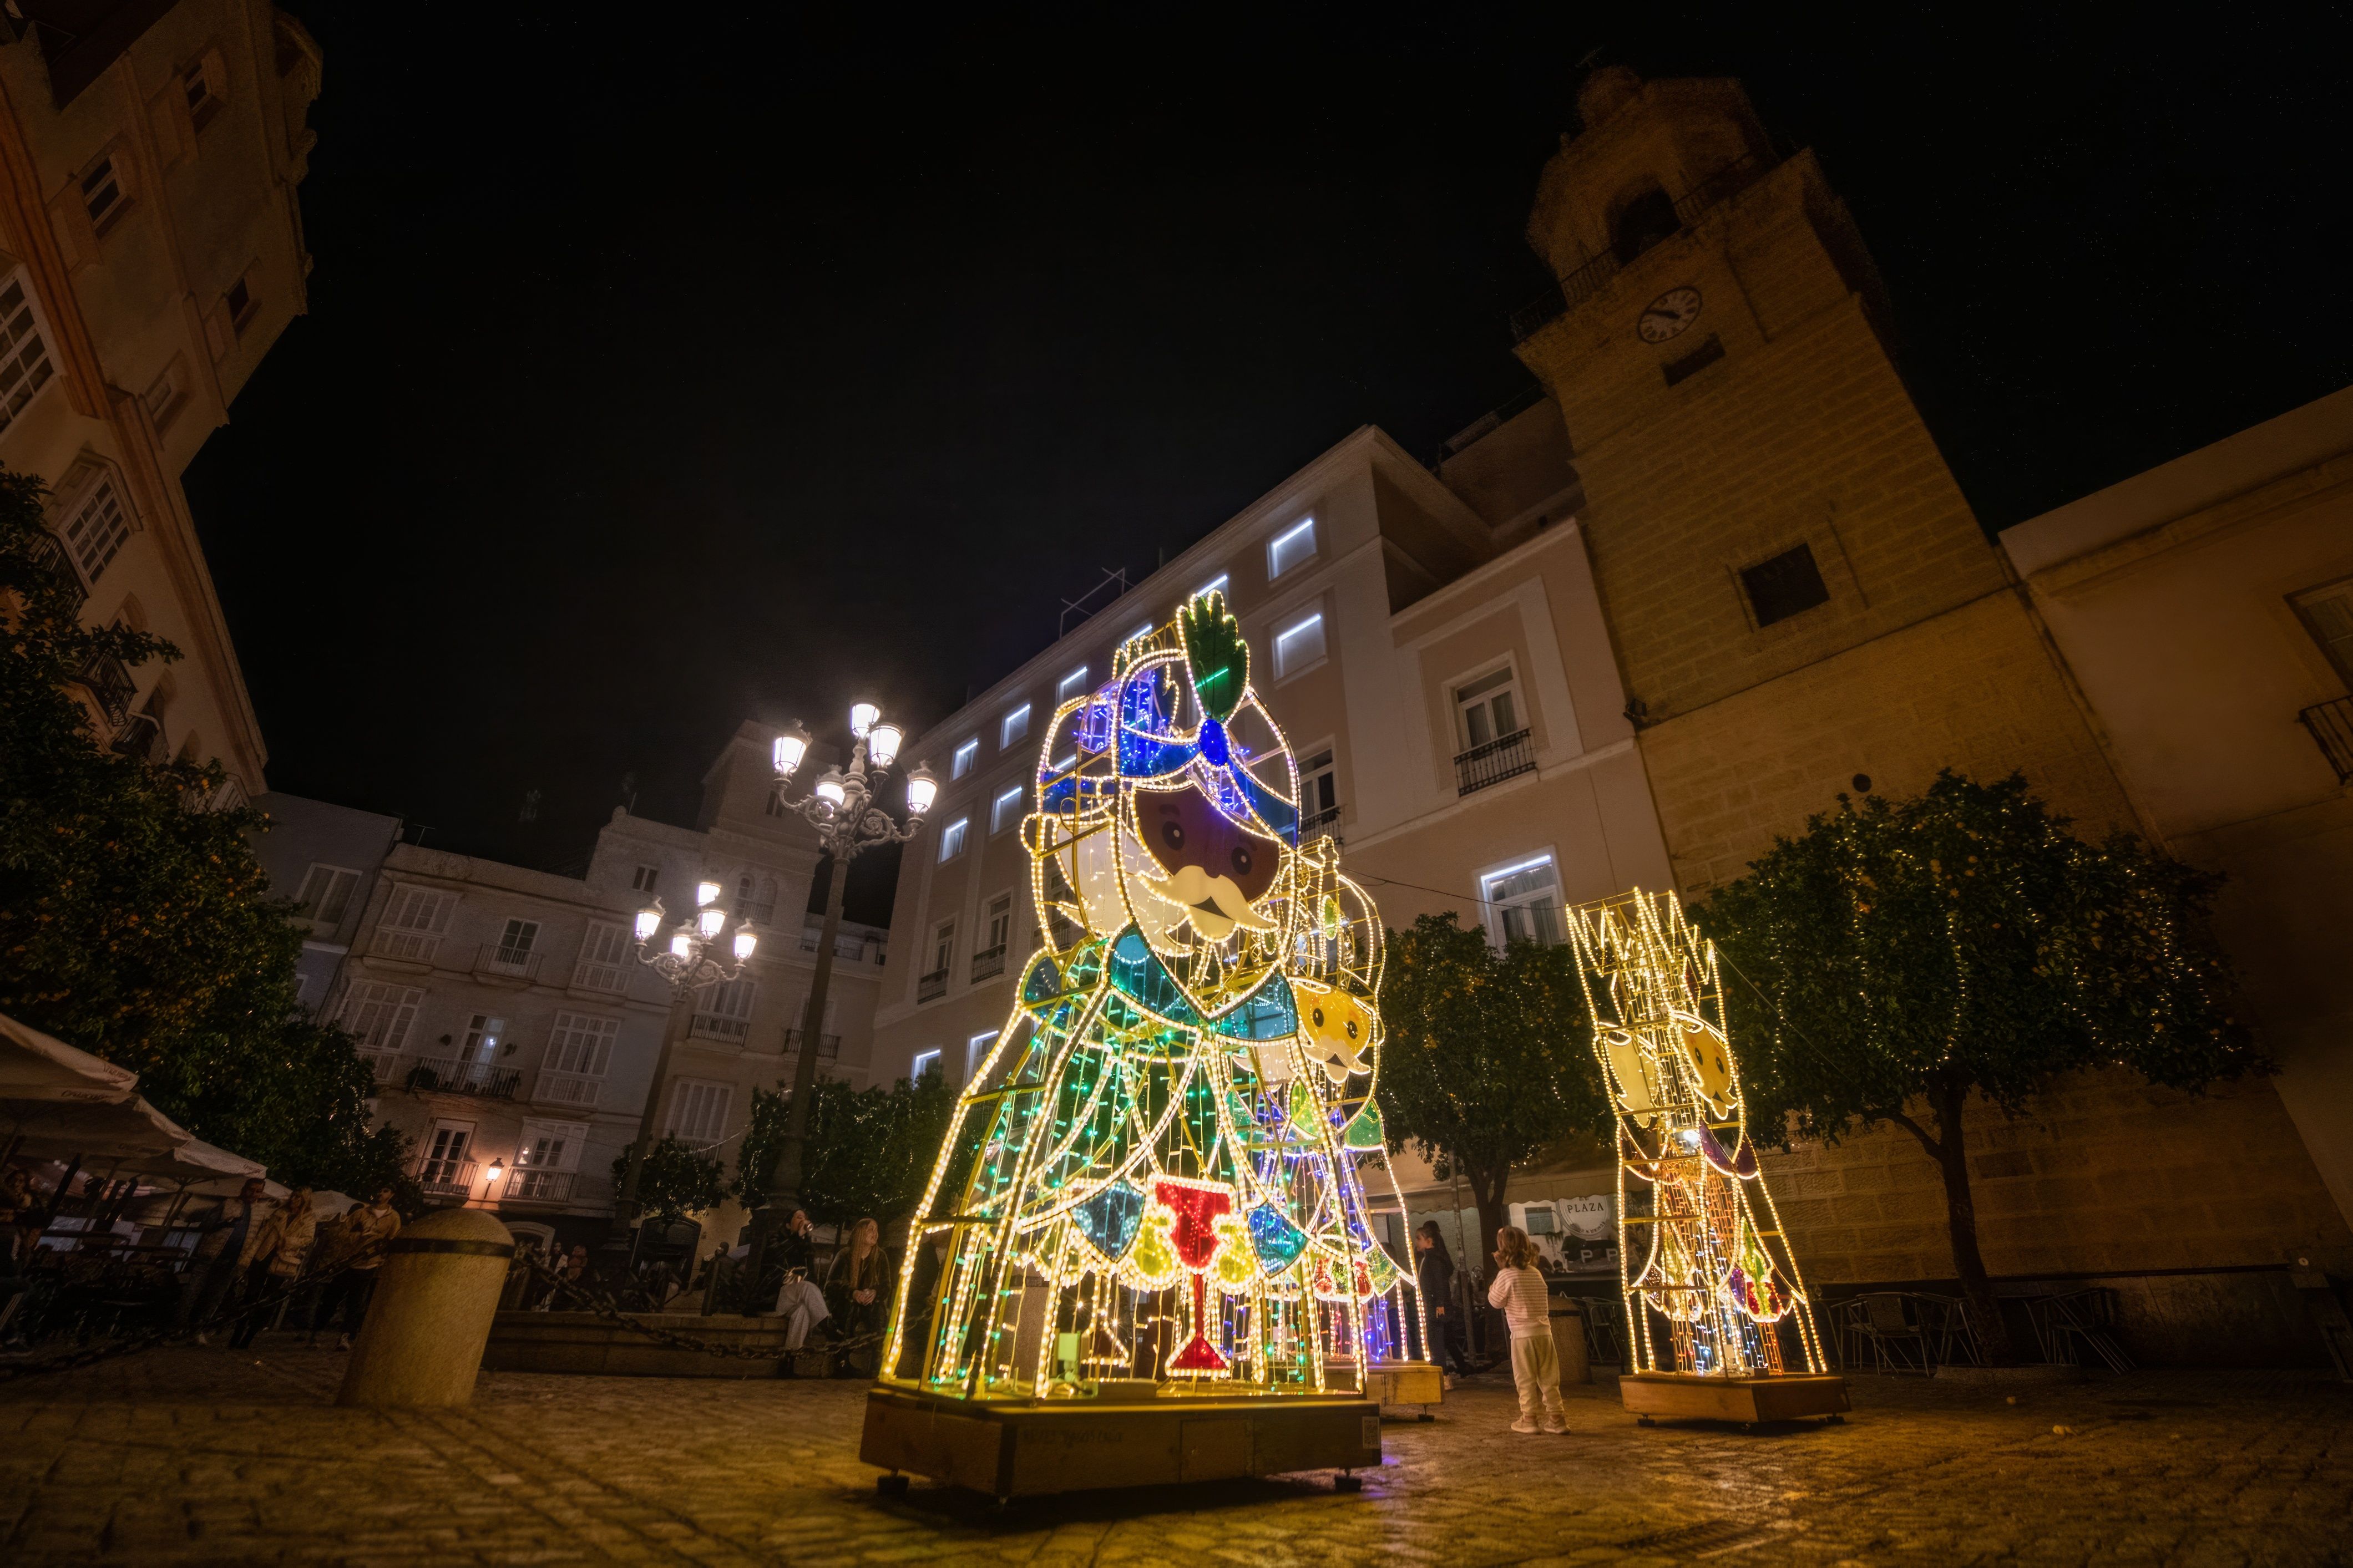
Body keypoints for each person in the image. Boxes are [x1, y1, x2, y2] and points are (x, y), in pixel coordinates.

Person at [1487, 1225, 1567, 1434]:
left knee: (1525, 1378)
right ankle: (1557, 1419)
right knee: (1549, 1377)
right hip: (1544, 1332)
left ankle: (1529, 1418)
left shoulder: (1507, 1275)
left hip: (1522, 1335)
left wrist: (1501, 1271)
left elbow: (1495, 1301)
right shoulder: (1536, 1273)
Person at [182, 1178, 273, 1343]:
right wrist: (224, 1223)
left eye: (258, 1191)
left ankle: (197, 1329)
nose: (253, 1194)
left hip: (233, 1261)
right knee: (193, 1291)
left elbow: (258, 1239)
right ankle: (178, 1327)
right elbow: (206, 1225)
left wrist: (245, 1261)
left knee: (214, 1297)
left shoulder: (262, 1213)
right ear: (244, 1189)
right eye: (251, 1190)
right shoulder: (228, 1204)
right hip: (212, 1254)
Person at [315, 1186, 401, 1349]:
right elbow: (342, 1233)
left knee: (355, 1302)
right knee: (332, 1297)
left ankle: (345, 1336)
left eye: (385, 1191)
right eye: (379, 1190)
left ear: (391, 1195)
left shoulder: (393, 1217)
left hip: (369, 1264)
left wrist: (381, 1255)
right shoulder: (361, 1213)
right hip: (348, 1261)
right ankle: (315, 1332)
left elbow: (393, 1240)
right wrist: (357, 1236)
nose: (380, 1194)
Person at [229, 1187, 316, 1349]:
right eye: (293, 1196)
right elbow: (262, 1235)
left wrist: (288, 1241)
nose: (294, 1200)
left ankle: (249, 1336)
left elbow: (307, 1239)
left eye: (298, 1197)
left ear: (304, 1200)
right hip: (263, 1257)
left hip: (283, 1260)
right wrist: (249, 1256)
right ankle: (237, 1334)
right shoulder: (280, 1213)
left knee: (269, 1299)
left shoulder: (309, 1219)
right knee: (251, 1295)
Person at [824, 1216, 892, 1375]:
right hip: (845, 1301)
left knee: (879, 1314)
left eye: (876, 1230)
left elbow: (886, 1285)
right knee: (847, 1312)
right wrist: (852, 1293)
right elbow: (831, 1285)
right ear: (861, 1233)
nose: (875, 1233)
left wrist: (875, 1293)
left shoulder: (880, 1256)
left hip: (869, 1301)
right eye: (870, 1229)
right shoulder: (846, 1254)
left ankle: (876, 1364)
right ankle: (842, 1361)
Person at [1414, 1221, 1474, 1383]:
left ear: (1429, 1240)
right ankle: (1451, 1370)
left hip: (1435, 1306)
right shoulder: (1432, 1259)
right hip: (1435, 1305)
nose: (1416, 1243)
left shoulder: (1433, 1261)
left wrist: (1439, 1305)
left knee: (1437, 1341)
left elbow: (1439, 1284)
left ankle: (1443, 1376)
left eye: (1419, 1239)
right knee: (1442, 1339)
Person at [769, 1210, 829, 1352]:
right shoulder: (776, 1240)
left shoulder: (806, 1246)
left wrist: (804, 1242)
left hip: (798, 1297)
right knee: (807, 1287)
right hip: (779, 1295)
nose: (803, 1221)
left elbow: (811, 1276)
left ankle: (790, 1357)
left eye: (805, 1218)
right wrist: (797, 1237)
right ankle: (828, 1327)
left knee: (802, 1311)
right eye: (799, 1218)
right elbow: (778, 1256)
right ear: (789, 1225)